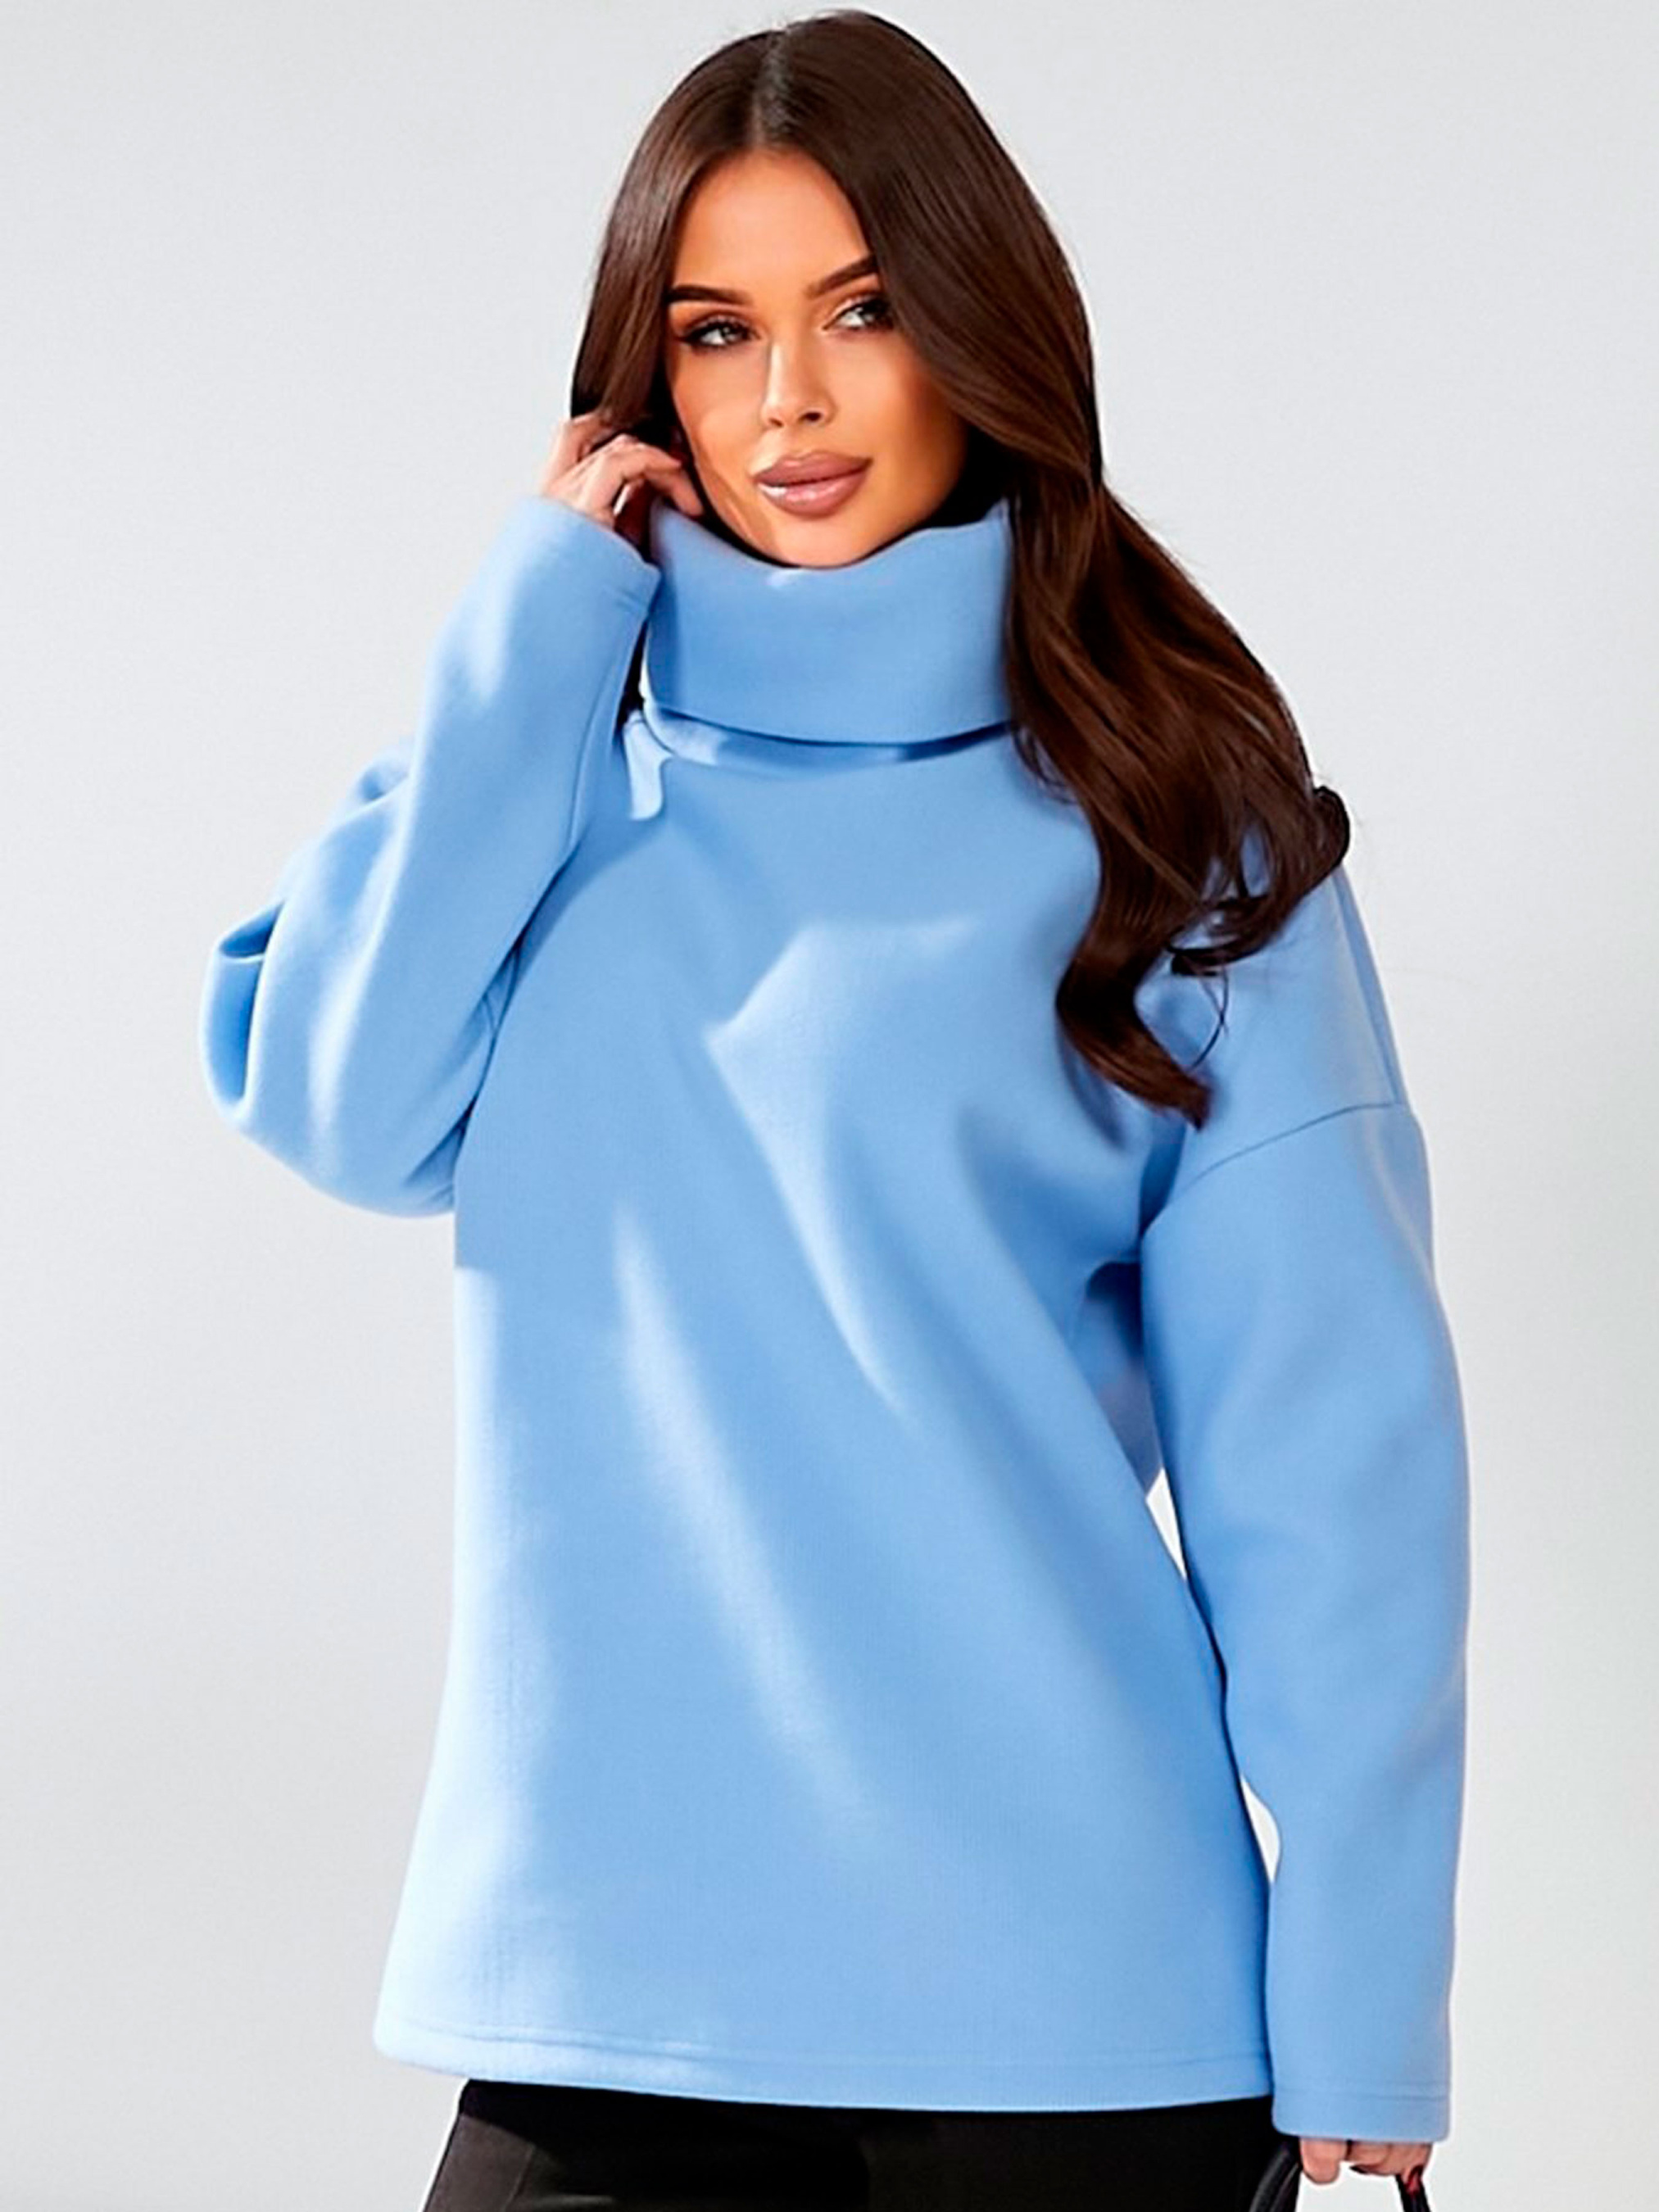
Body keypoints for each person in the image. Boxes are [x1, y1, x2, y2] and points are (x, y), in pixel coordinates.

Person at [197, 12, 1464, 2208]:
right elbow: (336, 1101)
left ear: (978, 331)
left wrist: (1366, 1973)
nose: (787, 397)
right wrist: (533, 622)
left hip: (1074, 2024)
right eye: (717, 331)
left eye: (860, 312)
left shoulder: (1175, 833)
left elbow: (1330, 1460)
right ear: (644, 384)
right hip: (604, 1992)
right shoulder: (551, 783)